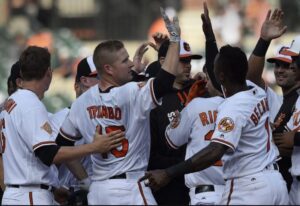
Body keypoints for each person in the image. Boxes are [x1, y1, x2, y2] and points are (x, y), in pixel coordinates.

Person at [142, 45, 289, 205]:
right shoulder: (257, 92)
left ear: (221, 77)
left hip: (248, 187)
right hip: (275, 182)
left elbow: (215, 150)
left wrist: (168, 173)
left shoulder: (231, 107)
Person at [0, 46, 125, 205]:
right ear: (49, 73)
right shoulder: (30, 103)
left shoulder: (12, 102)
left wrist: (53, 188)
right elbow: (47, 153)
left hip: (19, 192)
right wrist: (94, 147)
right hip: (29, 194)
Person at [147, 38, 203, 205]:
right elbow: (151, 155)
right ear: (164, 61)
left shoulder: (201, 89)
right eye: (183, 60)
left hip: (202, 183)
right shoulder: (152, 99)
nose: (188, 65)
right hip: (170, 187)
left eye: (189, 60)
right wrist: (185, 163)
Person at [162, 70, 224, 205]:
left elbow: (171, 140)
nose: (205, 84)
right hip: (237, 192)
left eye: (208, 79)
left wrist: (187, 105)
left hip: (205, 195)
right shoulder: (241, 106)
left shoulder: (196, 105)